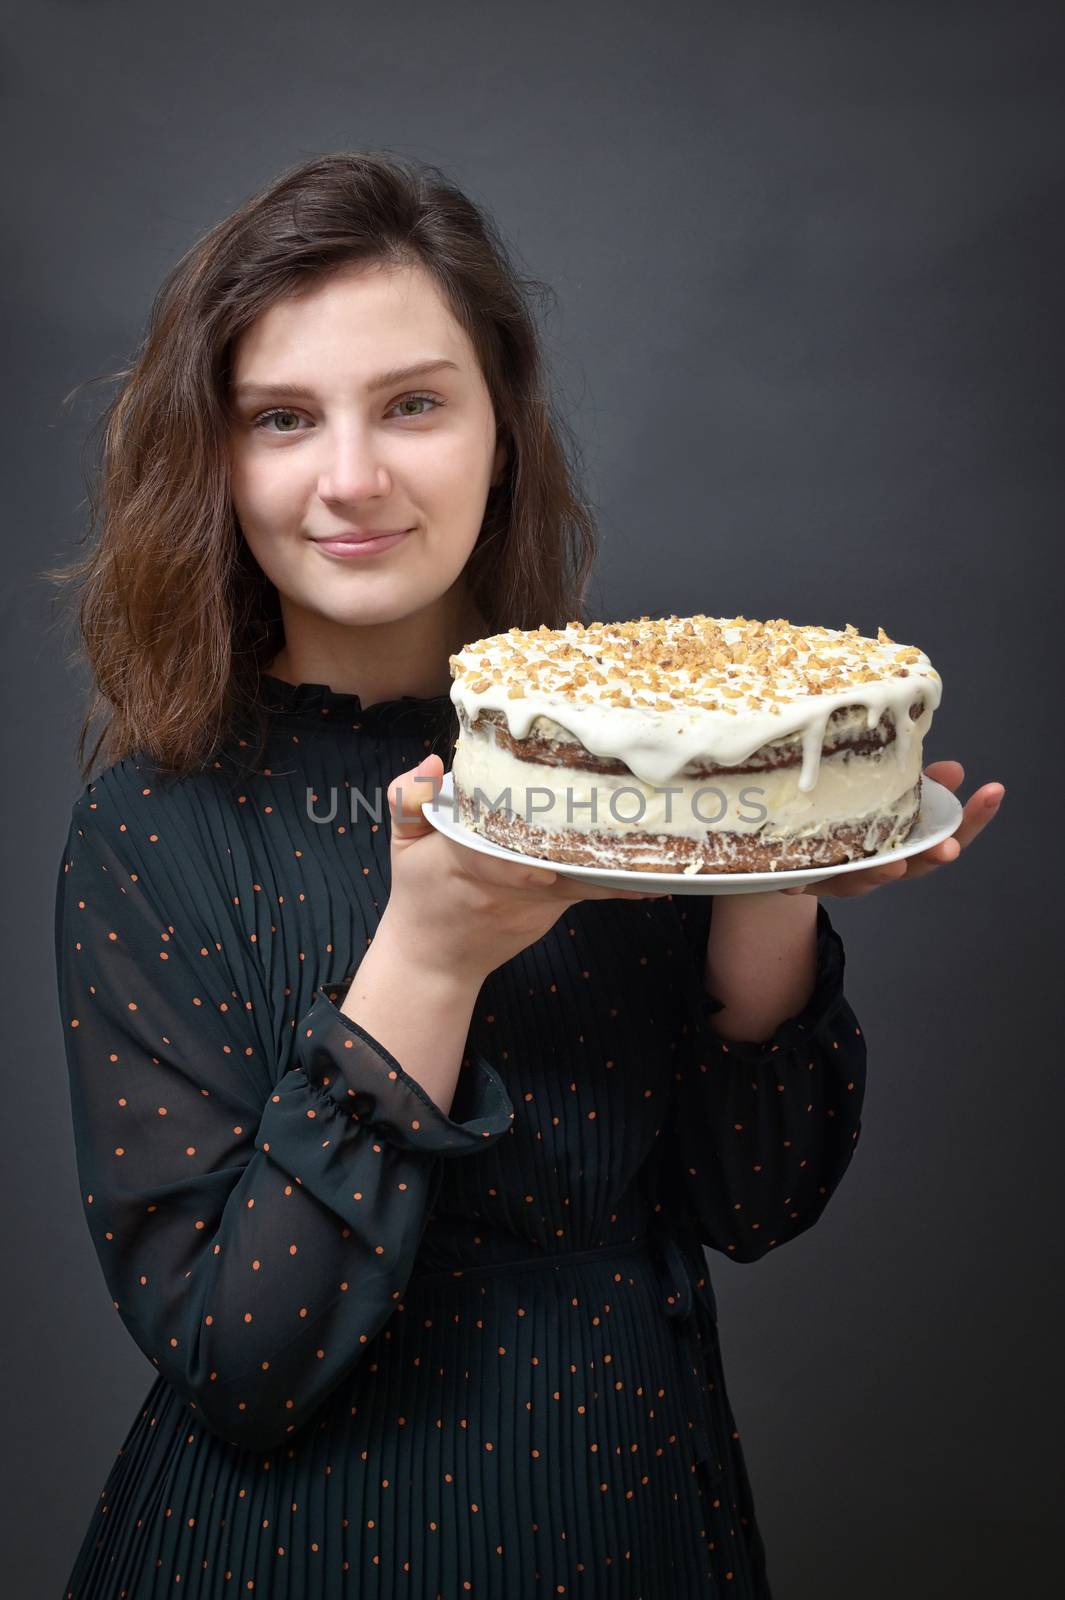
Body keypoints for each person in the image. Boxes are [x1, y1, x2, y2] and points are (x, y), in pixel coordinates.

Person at [49, 150, 1003, 1600]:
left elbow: (753, 1203)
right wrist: (426, 963)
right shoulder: (151, 829)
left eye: (415, 404)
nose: (352, 478)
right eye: (283, 419)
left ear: (503, 429)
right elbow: (245, 1364)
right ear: (215, 455)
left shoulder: (633, 751)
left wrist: (774, 860)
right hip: (285, 1555)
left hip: (631, 1517)